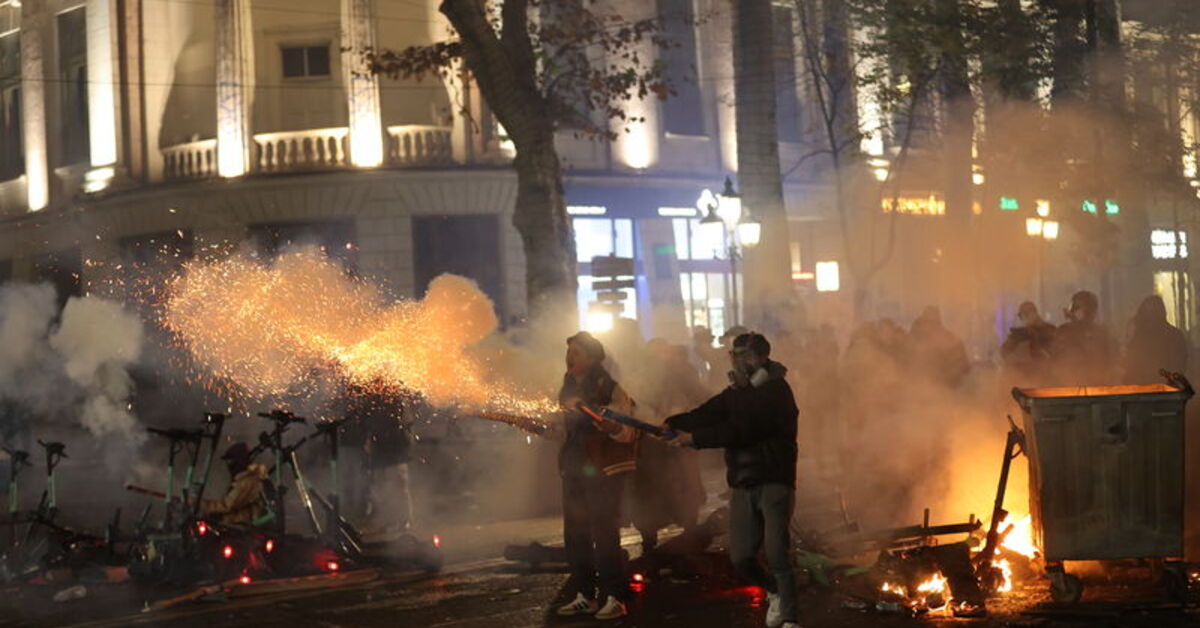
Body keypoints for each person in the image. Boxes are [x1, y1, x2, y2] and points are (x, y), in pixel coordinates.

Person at [663, 332, 800, 628]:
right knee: (741, 558)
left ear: (763, 358)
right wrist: (674, 423)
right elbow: (709, 412)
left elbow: (743, 430)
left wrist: (694, 439)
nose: (739, 362)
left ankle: (790, 618)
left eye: (746, 356)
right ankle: (775, 591)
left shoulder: (777, 390)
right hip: (742, 482)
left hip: (774, 478)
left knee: (777, 552)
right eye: (735, 356)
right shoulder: (737, 392)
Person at [555, 332, 639, 621]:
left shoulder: (610, 389)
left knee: (605, 535)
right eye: (569, 352)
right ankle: (585, 595)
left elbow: (629, 431)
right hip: (574, 470)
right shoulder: (566, 390)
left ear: (591, 359)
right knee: (575, 536)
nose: (569, 358)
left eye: (576, 353)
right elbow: (562, 431)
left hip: (603, 471)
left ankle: (616, 596)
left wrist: (610, 427)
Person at [631, 340, 707, 554]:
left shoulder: (681, 377)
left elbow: (700, 398)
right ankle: (649, 544)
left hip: (677, 442)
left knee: (685, 491)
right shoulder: (641, 379)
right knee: (650, 495)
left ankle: (690, 542)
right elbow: (634, 405)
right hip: (650, 447)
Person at [1052, 290, 1117, 384]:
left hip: (1092, 384)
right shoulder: (1065, 331)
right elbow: (1057, 362)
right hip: (1073, 384)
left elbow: (1110, 360)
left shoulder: (1101, 332)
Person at [1123, 295, 1188, 383]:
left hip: (1165, 390)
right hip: (1149, 390)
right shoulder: (1140, 338)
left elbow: (1179, 367)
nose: (1150, 320)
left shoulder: (1173, 337)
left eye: (1152, 314)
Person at [201, 442, 269, 526]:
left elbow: (227, 506)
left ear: (238, 460)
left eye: (230, 461)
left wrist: (200, 505)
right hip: (238, 524)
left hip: (244, 527)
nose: (228, 465)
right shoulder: (244, 480)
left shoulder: (247, 482)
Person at [909, 306, 970, 389]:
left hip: (940, 391)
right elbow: (965, 369)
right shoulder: (952, 340)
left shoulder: (951, 341)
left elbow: (964, 368)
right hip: (944, 392)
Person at [1000, 301, 1056, 384]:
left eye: (1023, 316)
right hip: (1035, 376)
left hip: (1043, 375)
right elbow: (1004, 352)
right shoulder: (1023, 334)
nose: (1023, 319)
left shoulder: (1049, 330)